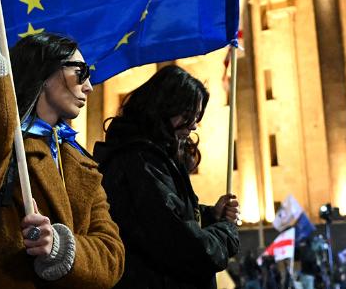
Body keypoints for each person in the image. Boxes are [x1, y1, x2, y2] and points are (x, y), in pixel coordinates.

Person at [0, 0, 124, 288]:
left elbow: (112, 258)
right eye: (81, 73)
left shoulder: (83, 163)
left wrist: (60, 248)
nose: (89, 86)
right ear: (45, 75)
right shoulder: (2, 152)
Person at [93, 64, 240, 288]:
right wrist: (227, 233)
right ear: (163, 107)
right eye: (188, 115)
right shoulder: (141, 161)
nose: (193, 126)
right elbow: (183, 247)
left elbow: (167, 217)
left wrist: (210, 215)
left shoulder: (154, 156)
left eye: (197, 117)